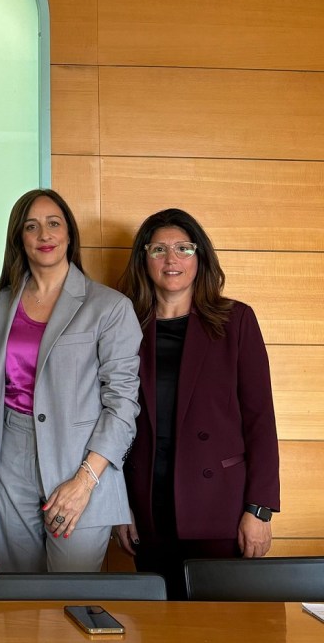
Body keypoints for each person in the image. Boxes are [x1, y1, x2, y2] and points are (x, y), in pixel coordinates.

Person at [114, 208, 279, 599]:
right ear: (144, 259)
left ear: (199, 257)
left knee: (218, 624)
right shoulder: (124, 324)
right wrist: (117, 506)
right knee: (157, 623)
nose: (171, 259)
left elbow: (260, 419)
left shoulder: (235, 321)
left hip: (219, 507)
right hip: (146, 509)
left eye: (183, 248)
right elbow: (110, 419)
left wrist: (259, 509)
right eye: (158, 249)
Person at [0, 188, 141, 572]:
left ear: (70, 233)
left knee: (71, 592)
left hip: (82, 461)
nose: (44, 235)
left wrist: (85, 480)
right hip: (10, 457)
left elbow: (123, 404)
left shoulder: (110, 307)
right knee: (17, 592)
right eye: (31, 226)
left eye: (54, 223)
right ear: (19, 237)